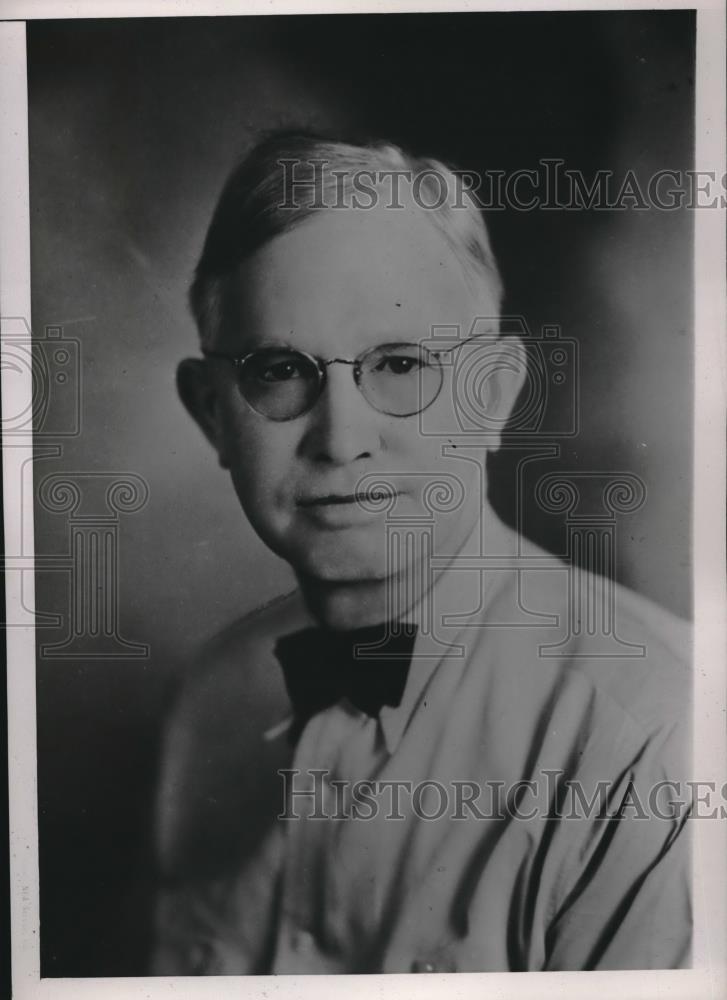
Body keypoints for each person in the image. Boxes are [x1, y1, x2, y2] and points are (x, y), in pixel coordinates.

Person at [151, 131, 692, 975]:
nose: (341, 439)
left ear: (495, 393)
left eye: (399, 364)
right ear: (212, 412)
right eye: (279, 369)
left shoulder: (662, 736)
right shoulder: (210, 703)